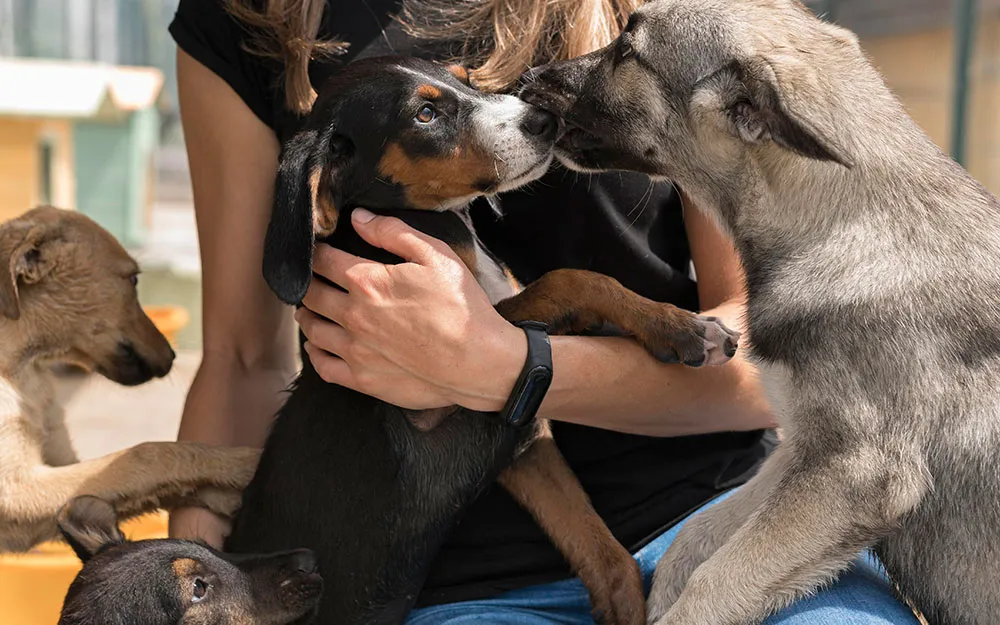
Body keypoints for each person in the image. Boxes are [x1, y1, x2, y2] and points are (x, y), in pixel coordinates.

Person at [167, 1, 921, 623]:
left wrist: (510, 369)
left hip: (722, 524)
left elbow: (779, 354)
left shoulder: (693, 21)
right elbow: (241, 360)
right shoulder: (248, 19)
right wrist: (191, 593)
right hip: (460, 591)